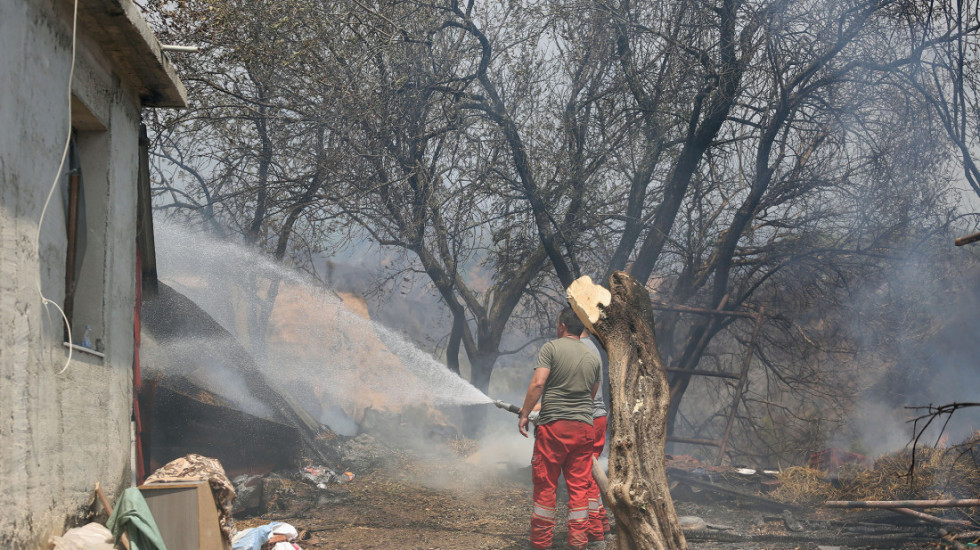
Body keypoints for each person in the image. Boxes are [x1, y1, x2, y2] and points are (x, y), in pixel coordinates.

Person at [519, 307, 601, 550]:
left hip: (554, 428)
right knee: (579, 490)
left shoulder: (551, 348)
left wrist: (525, 413)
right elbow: (591, 395)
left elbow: (538, 383)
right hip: (585, 429)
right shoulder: (593, 358)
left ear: (562, 325)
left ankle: (541, 545)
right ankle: (578, 545)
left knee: (546, 487)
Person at [579, 329, 612, 543]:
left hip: (588, 418)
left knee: (585, 475)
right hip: (598, 417)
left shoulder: (580, 348)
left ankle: (595, 534)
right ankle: (603, 524)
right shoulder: (591, 346)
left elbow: (578, 390)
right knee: (591, 472)